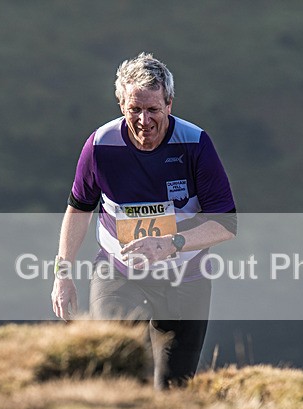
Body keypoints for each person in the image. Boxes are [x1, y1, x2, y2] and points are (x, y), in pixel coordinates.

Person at [51, 52, 237, 389]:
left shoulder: (195, 144)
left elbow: (226, 224)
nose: (144, 120)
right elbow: (78, 209)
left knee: (175, 386)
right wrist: (63, 274)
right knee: (116, 365)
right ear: (121, 104)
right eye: (135, 109)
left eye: (153, 110)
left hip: (186, 277)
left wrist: (170, 243)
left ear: (169, 103)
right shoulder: (100, 145)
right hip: (119, 273)